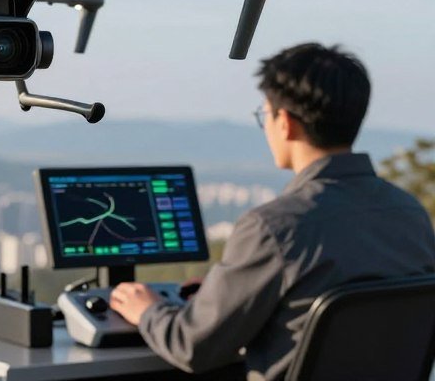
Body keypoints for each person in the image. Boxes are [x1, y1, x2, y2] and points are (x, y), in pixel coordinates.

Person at [109, 42, 435, 381]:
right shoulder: (410, 214)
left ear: (286, 123)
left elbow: (192, 346)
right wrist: (222, 294)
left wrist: (148, 310)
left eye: (266, 114)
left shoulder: (274, 228)